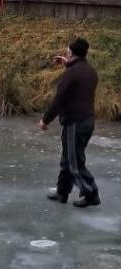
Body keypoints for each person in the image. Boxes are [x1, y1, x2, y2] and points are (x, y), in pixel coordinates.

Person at [39, 38, 100, 208]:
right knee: (67, 159)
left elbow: (60, 99)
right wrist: (68, 64)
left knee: (74, 164)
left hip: (76, 122)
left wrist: (45, 120)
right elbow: (77, 82)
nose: (66, 53)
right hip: (86, 121)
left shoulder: (72, 73)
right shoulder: (89, 70)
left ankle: (91, 193)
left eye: (67, 51)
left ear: (71, 53)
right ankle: (62, 192)